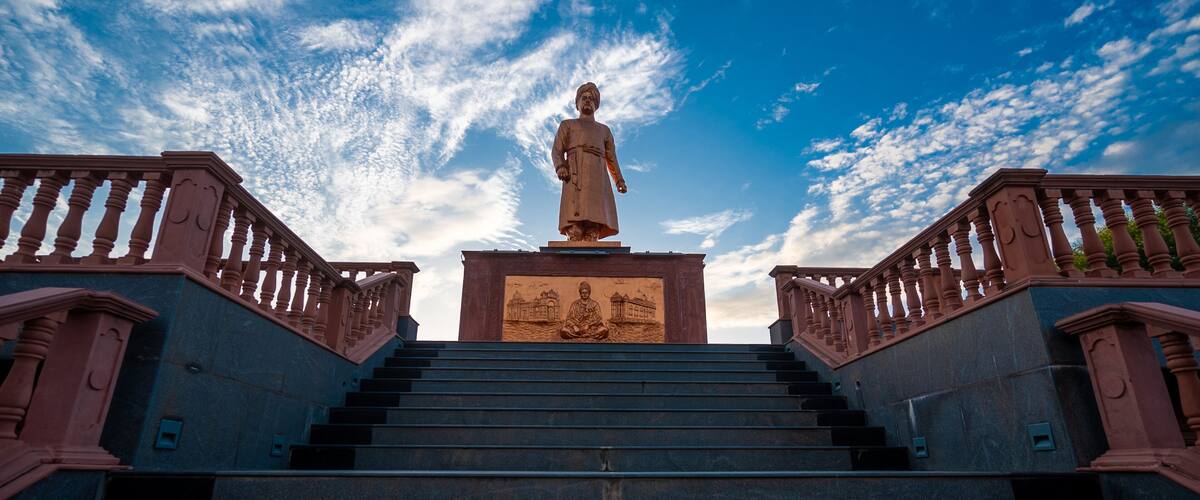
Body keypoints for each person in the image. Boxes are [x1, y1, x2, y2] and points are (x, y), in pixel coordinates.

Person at [552, 82, 627, 241]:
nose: (587, 101)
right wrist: (560, 167)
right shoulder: (567, 125)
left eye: (591, 99)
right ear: (577, 103)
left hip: (597, 174)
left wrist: (619, 179)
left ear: (596, 105)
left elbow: (612, 157)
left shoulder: (604, 130)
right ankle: (574, 230)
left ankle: (593, 232)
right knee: (575, 219)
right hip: (575, 172)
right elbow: (557, 150)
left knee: (595, 215)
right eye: (584, 98)